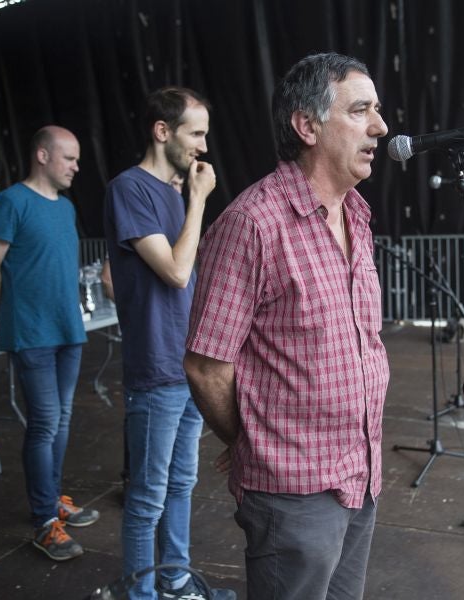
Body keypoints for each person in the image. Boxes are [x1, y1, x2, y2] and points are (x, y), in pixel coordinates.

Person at [183, 53, 391, 600]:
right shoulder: (252, 223)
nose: (380, 126)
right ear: (307, 126)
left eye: (378, 110)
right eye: (361, 110)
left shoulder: (358, 216)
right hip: (294, 490)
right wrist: (250, 438)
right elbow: (206, 365)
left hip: (360, 474)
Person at [101, 87, 235, 600]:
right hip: (156, 366)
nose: (203, 145)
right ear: (163, 131)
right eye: (195, 133)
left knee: (180, 487)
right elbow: (177, 272)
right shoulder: (128, 188)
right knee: (147, 497)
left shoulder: (174, 192)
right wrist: (198, 199)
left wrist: (189, 199)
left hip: (187, 365)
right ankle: (141, 595)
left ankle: (175, 582)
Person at [0, 125, 100, 562]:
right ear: (43, 156)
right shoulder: (8, 203)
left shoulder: (64, 208)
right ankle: (45, 521)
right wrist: (8, 318)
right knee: (46, 422)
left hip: (67, 329)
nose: (76, 167)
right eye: (69, 158)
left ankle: (52, 499)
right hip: (32, 334)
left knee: (61, 420)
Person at [99, 172, 186, 489]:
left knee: (181, 482)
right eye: (171, 184)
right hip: (155, 356)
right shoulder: (130, 193)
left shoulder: (178, 215)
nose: (177, 190)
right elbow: (110, 277)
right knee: (148, 490)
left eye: (180, 185)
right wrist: (136, 309)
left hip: (182, 359)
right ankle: (128, 475)